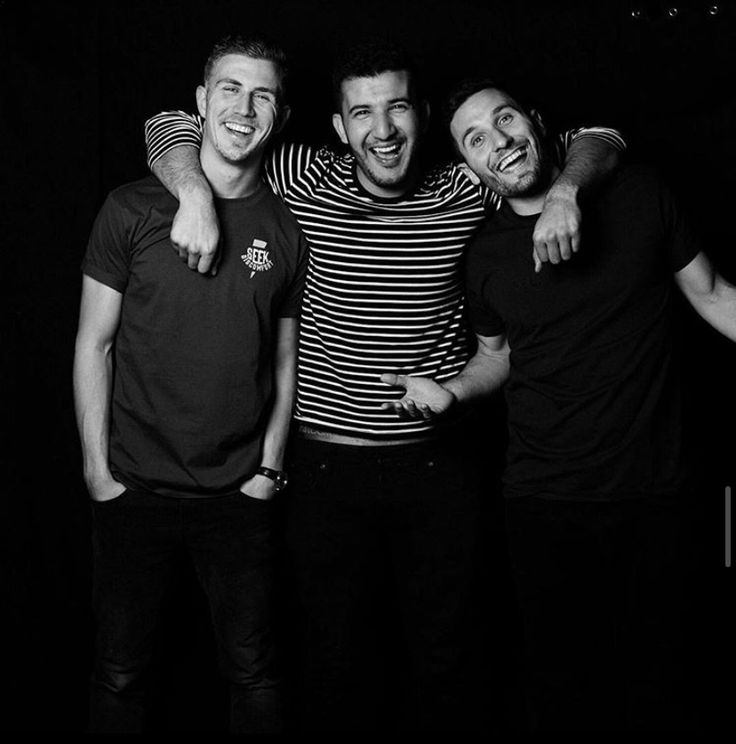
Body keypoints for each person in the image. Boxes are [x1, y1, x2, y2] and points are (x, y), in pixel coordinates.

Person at [143, 39, 625, 732]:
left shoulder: (467, 182)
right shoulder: (299, 173)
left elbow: (599, 137)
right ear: (338, 128)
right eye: (362, 114)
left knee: (451, 656)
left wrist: (567, 193)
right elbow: (168, 125)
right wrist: (192, 191)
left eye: (397, 107)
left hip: (441, 466)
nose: (384, 130)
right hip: (323, 468)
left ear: (422, 116)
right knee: (334, 660)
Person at [382, 78, 736, 732]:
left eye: (506, 119)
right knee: (561, 690)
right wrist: (452, 391)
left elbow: (716, 295)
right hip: (544, 503)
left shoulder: (638, 194)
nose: (500, 142)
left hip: (661, 494)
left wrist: (569, 193)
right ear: (470, 165)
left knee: (668, 683)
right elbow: (497, 355)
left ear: (539, 122)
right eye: (476, 139)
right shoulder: (484, 254)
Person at [73, 34, 308, 733]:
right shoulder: (129, 208)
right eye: (230, 89)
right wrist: (97, 472)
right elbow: (94, 343)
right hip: (134, 489)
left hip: (237, 495)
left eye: (262, 93)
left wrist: (268, 469)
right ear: (201, 103)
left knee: (255, 673)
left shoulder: (287, 226)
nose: (244, 107)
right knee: (120, 673)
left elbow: (284, 360)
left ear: (282, 115)